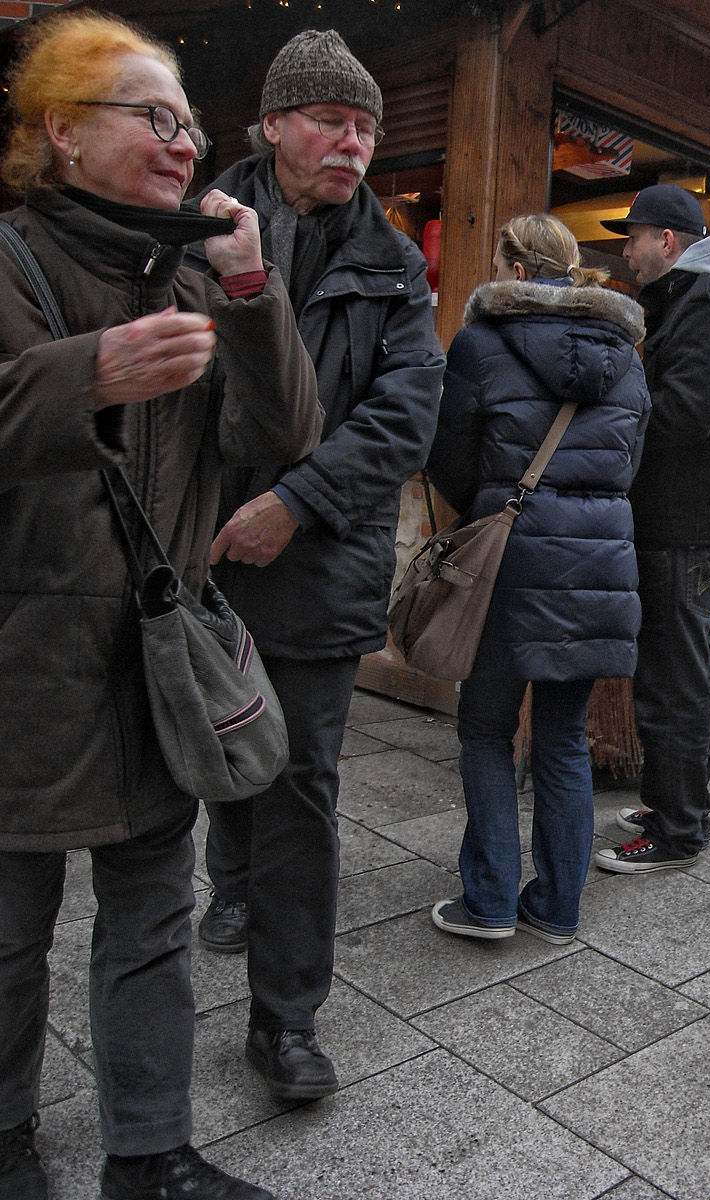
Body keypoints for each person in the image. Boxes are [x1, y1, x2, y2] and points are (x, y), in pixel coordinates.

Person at [0, 13, 321, 1199]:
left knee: (149, 923)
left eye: (188, 121)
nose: (182, 142)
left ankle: (150, 1154)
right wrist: (78, 376)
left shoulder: (192, 268)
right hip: (21, 662)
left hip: (158, 662)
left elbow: (287, 435)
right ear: (62, 132)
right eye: (152, 115)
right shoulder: (9, 258)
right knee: (8, 932)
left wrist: (249, 287)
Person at [192, 29, 446, 1101]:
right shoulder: (189, 230)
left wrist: (295, 502)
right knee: (211, 745)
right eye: (331, 120)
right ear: (275, 125)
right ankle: (230, 878)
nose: (352, 142)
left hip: (318, 558)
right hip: (195, 551)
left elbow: (407, 411)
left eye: (366, 126)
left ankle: (286, 1022)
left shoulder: (392, 263)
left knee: (301, 784)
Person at [425, 215, 649, 942]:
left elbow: (448, 455)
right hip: (598, 565)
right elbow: (629, 466)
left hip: (508, 563)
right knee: (561, 740)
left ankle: (488, 901)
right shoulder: (627, 353)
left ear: (512, 268)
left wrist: (489, 506)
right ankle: (556, 906)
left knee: (486, 731)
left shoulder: (481, 341)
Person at [592, 185, 710, 873]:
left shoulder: (708, 305)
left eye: (633, 236)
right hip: (696, 518)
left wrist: (612, 416)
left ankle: (678, 829)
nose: (627, 249)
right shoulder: (709, 301)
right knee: (680, 673)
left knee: (674, 680)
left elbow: (682, 417)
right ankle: (676, 798)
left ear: (668, 240)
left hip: (687, 521)